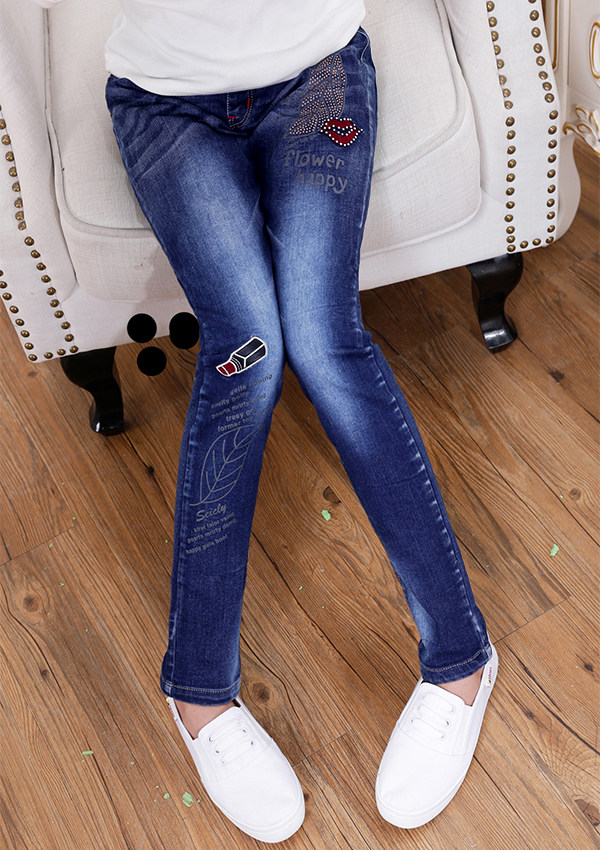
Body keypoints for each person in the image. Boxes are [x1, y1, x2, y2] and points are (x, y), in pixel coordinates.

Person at [37, 0, 498, 843]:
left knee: (324, 341)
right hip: (166, 104)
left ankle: (461, 661)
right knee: (245, 353)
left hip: (317, 77)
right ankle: (199, 694)